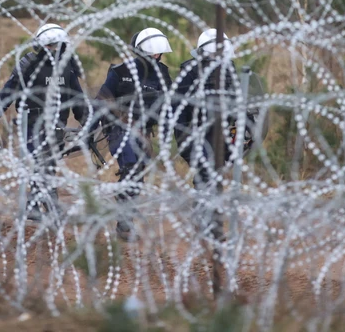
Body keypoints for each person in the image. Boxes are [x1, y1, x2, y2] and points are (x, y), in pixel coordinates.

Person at [0, 23, 89, 221]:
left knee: (50, 163)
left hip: (58, 123)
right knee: (40, 161)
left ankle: (33, 207)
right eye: (52, 46)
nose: (56, 51)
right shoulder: (27, 64)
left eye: (60, 47)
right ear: (42, 46)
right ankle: (51, 204)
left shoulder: (67, 67)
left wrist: (87, 121)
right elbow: (7, 93)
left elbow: (77, 98)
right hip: (32, 121)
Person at [90, 27, 172, 241]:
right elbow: (101, 100)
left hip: (143, 133)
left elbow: (170, 104)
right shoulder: (120, 72)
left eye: (158, 53)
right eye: (152, 53)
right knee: (130, 167)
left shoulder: (162, 73)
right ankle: (124, 225)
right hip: (119, 130)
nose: (156, 56)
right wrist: (89, 131)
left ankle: (124, 219)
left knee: (137, 176)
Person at [173, 29, 256, 196]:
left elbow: (238, 100)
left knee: (216, 176)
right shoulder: (190, 72)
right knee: (205, 175)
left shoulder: (228, 70)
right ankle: (203, 217)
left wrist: (249, 123)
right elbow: (178, 109)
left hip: (221, 131)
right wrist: (184, 140)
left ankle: (211, 217)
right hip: (196, 131)